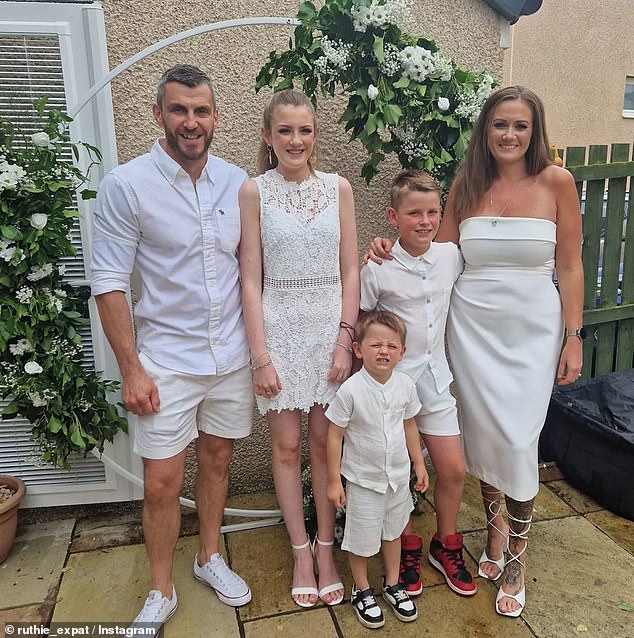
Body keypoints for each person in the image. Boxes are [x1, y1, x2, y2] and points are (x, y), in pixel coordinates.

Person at [368, 85, 583, 617]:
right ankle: (493, 534)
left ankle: (517, 557)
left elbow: (572, 266)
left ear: (535, 132)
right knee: (484, 431)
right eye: (499, 125)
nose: (509, 135)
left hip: (532, 328)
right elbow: (434, 252)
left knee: (517, 435)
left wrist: (574, 336)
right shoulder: (466, 184)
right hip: (471, 328)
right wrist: (386, 249)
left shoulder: (557, 181)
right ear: (484, 130)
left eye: (520, 126)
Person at [90, 65, 253, 629]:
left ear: (215, 118)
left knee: (217, 459)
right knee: (161, 481)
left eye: (201, 111)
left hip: (230, 356)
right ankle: (160, 589)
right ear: (158, 114)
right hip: (164, 361)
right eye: (179, 110)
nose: (191, 122)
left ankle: (209, 557)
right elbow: (108, 282)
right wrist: (130, 369)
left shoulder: (238, 183)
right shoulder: (127, 185)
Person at [239, 89, 359, 608]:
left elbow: (351, 269)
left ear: (315, 135)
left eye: (304, 130)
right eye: (284, 130)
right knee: (287, 449)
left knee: (323, 448)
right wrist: (260, 355)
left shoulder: (339, 188)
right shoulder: (252, 192)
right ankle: (300, 553)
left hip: (329, 332)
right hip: (280, 331)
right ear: (268, 135)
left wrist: (346, 337)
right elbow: (249, 280)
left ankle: (327, 549)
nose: (295, 140)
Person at [361, 169, 476, 599]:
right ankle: (406, 545)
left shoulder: (450, 256)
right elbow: (363, 320)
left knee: (451, 468)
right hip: (394, 388)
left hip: (435, 379)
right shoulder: (380, 266)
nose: (424, 221)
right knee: (400, 472)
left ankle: (444, 544)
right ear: (394, 216)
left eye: (432, 211)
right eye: (414, 213)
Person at [326, 311, 429, 629]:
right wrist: (334, 481)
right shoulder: (351, 390)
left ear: (402, 352)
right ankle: (362, 589)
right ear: (358, 350)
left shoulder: (405, 386)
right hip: (364, 481)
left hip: (397, 480)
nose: (383, 351)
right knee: (361, 539)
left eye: (391, 345)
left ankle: (393, 584)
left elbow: (410, 425)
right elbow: (334, 435)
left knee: (393, 532)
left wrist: (419, 464)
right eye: (375, 345)